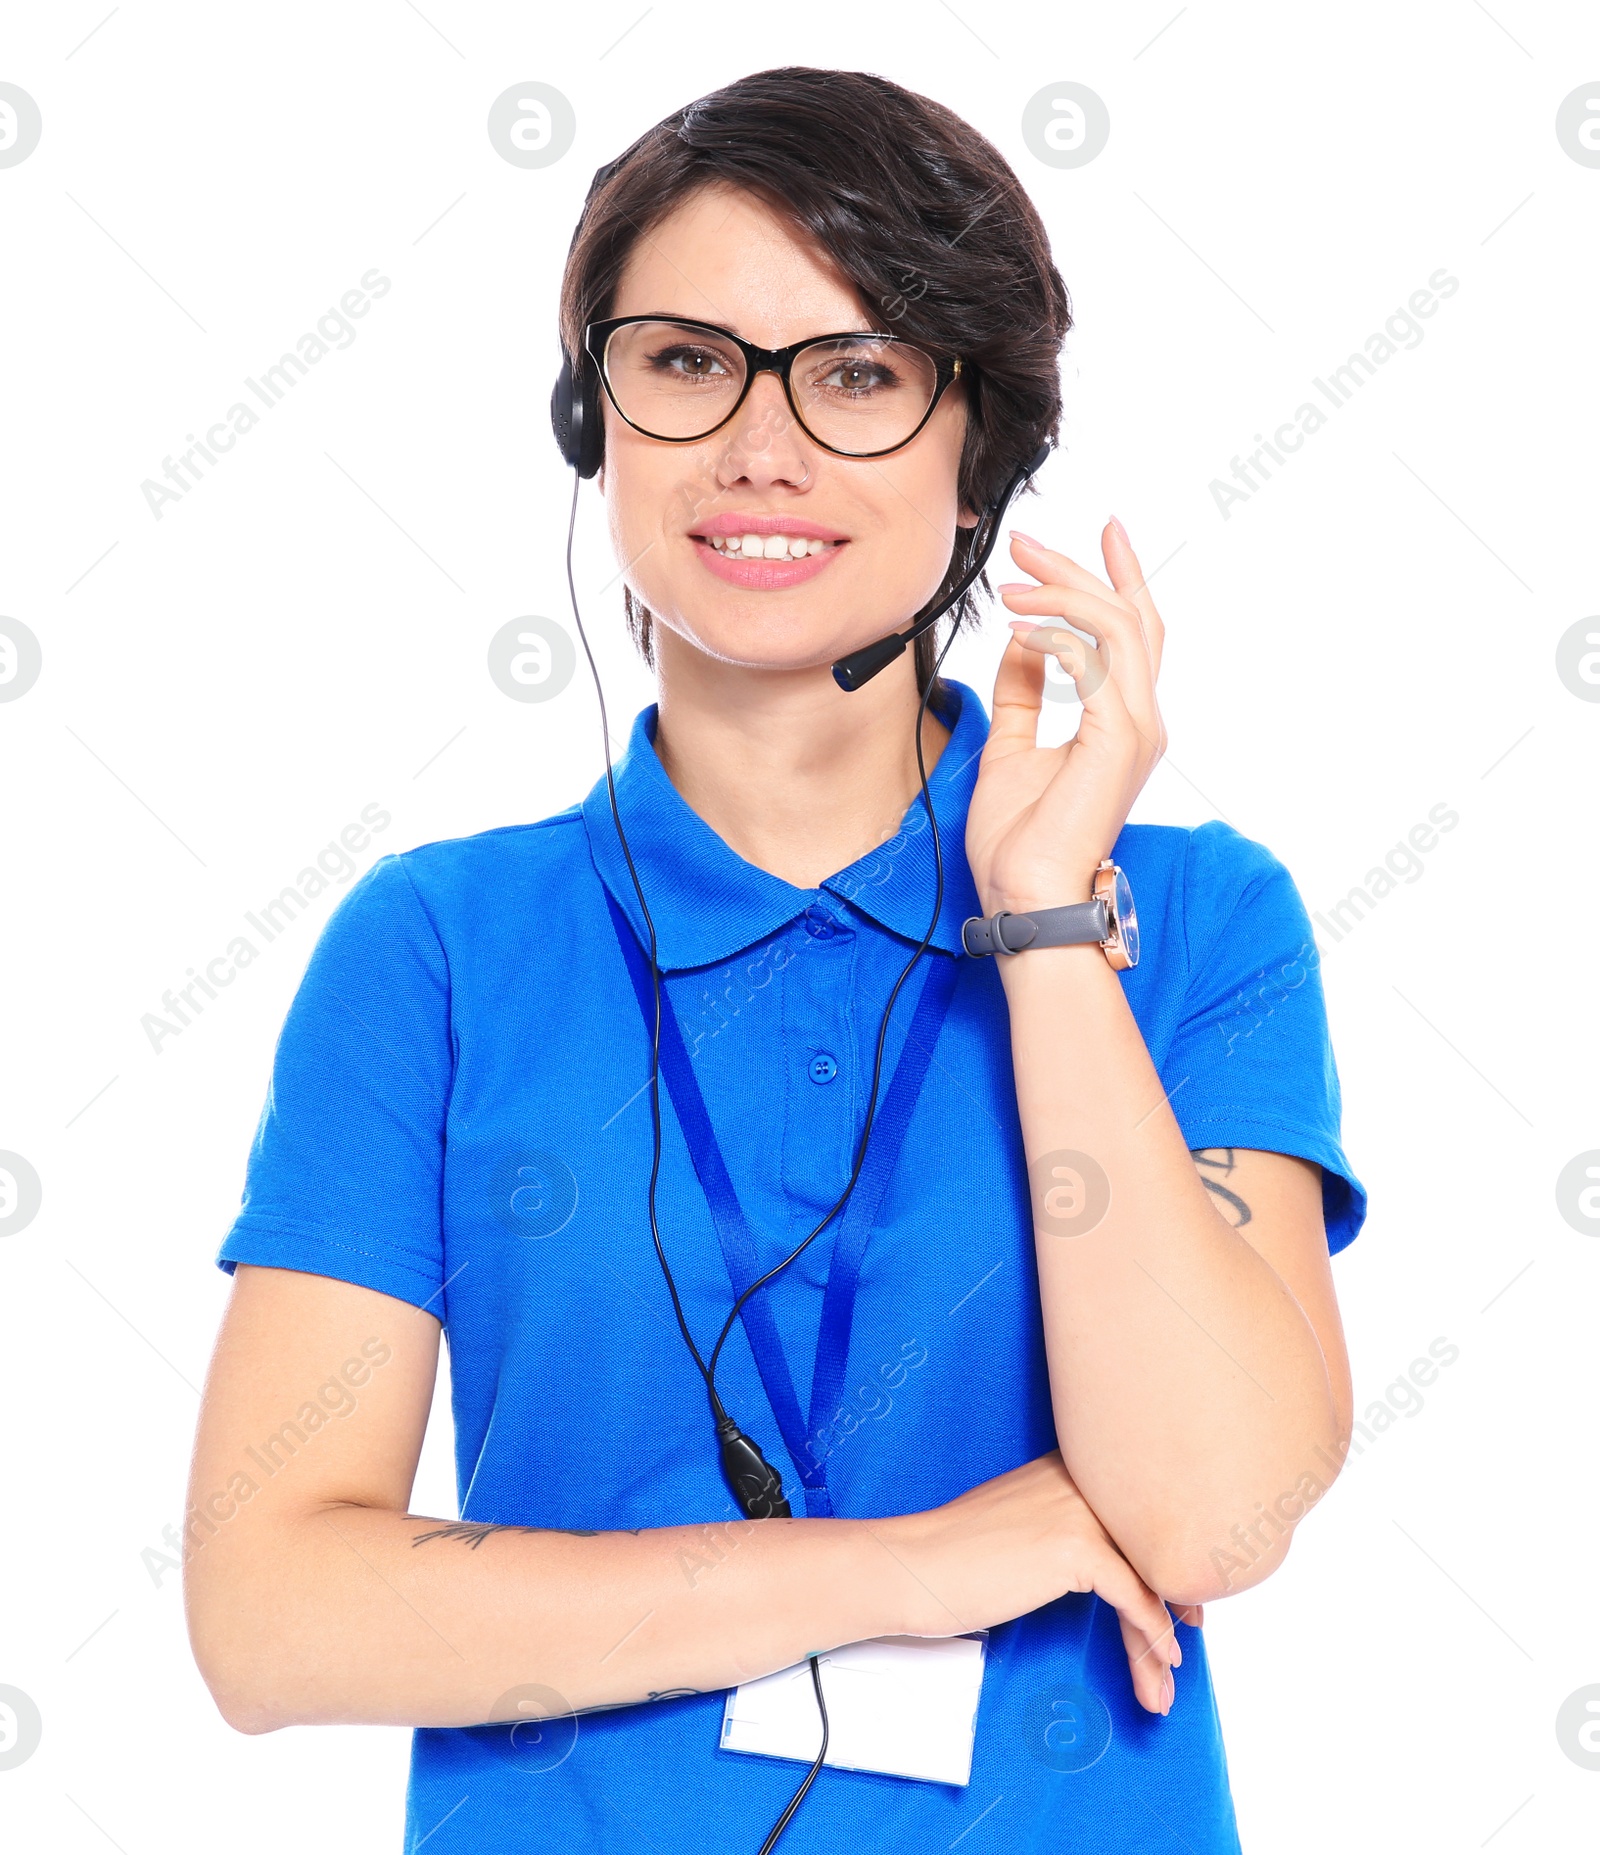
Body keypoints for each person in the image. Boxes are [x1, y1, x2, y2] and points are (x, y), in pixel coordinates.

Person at [185, 67, 1366, 1855]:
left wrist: (1045, 919)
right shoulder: (435, 949)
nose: (763, 444)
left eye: (860, 374)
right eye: (684, 361)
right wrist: (911, 1567)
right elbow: (270, 1618)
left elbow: (1212, 1513)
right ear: (600, 423)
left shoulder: (1188, 919)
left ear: (983, 455)